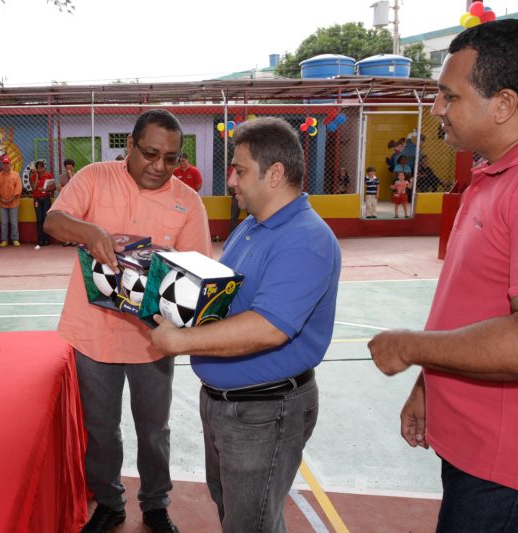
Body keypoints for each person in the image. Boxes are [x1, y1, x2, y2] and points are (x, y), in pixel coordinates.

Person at [368, 19, 518, 532]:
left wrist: (412, 347)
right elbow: (472, 305)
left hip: (508, 469)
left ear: (504, 104)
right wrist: (431, 381)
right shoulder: (492, 174)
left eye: (449, 96)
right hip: (473, 448)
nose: (438, 108)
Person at [149, 117, 341, 532]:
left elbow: (266, 328)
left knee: (250, 524)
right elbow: (226, 301)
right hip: (229, 404)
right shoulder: (252, 227)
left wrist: (179, 341)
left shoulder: (306, 238)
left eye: (239, 170)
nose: (231, 181)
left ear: (274, 174)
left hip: (263, 410)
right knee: (238, 515)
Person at [44, 109, 210, 533]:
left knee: (154, 429)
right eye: (150, 154)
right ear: (130, 147)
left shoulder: (188, 202)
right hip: (92, 334)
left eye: (171, 158)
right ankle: (110, 503)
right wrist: (89, 232)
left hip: (154, 340)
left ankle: (155, 504)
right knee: (101, 429)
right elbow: (54, 221)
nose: (158, 166)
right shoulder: (94, 177)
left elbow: (198, 270)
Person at [0, 155, 22, 247]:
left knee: (14, 222)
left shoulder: (16, 175)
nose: (5, 165)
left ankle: (15, 239)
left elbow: (18, 189)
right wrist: (1, 199)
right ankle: (4, 240)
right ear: (1, 165)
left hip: (14, 203)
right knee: (4, 223)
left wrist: (11, 199)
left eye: (7, 163)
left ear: (10, 164)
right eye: (4, 163)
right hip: (2, 204)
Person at [31, 161, 54, 249]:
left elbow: (53, 187)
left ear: (44, 167)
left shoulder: (48, 175)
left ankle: (46, 239)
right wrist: (36, 176)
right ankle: (40, 239)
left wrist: (45, 190)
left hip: (46, 199)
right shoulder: (33, 176)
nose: (40, 169)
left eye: (41, 167)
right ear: (36, 168)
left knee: (45, 219)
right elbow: (34, 187)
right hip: (37, 200)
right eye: (38, 168)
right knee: (39, 219)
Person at [57, 158, 77, 246]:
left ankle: (74, 240)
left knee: (74, 221)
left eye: (70, 168)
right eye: (67, 168)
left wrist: (71, 176)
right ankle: (67, 240)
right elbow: (58, 187)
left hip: (74, 202)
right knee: (65, 221)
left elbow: (76, 188)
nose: (68, 170)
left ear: (73, 168)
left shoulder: (77, 176)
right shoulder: (61, 177)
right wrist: (66, 189)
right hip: (65, 201)